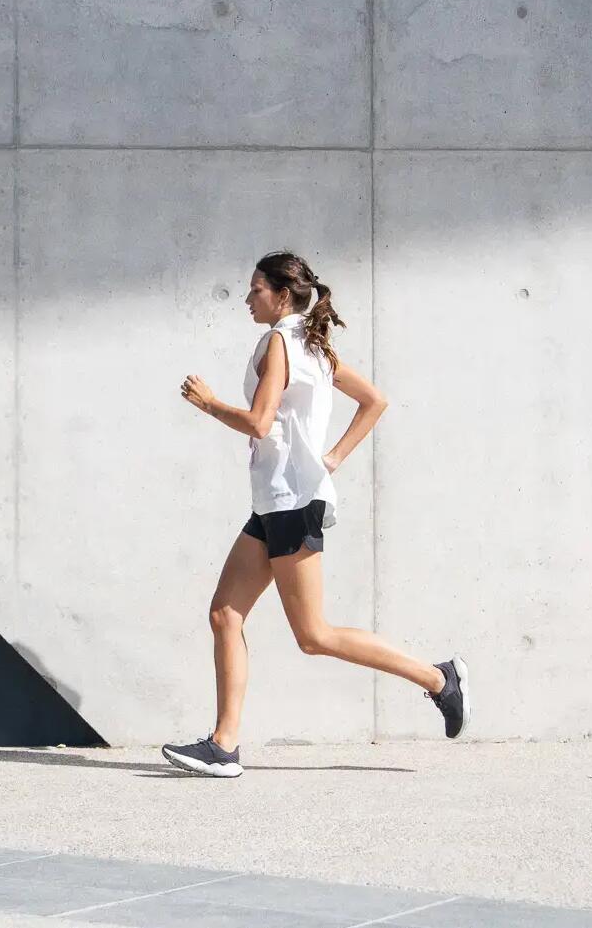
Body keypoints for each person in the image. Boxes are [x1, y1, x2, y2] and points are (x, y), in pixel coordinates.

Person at [161, 250, 469, 778]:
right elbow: (374, 400)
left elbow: (260, 422)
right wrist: (329, 460)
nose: (246, 298)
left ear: (281, 294)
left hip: (291, 502)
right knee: (224, 614)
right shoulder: (314, 343)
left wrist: (209, 403)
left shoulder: (284, 340)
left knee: (314, 635)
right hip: (275, 500)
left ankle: (439, 679)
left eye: (255, 289)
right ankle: (223, 745)